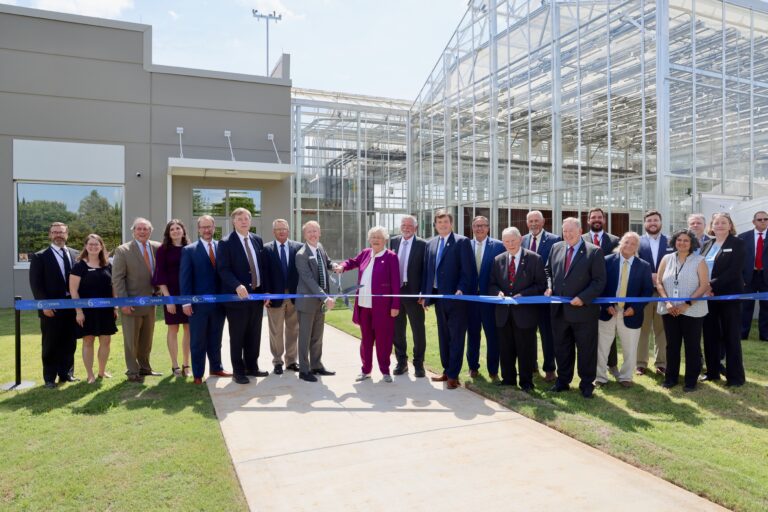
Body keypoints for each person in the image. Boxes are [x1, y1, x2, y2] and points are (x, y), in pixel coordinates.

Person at [545, 217, 606, 398]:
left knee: (586, 349)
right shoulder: (556, 248)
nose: (568, 234)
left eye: (571, 230)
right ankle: (563, 381)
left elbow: (599, 281)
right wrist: (549, 286)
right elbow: (548, 270)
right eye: (565, 231)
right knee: (562, 348)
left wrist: (583, 298)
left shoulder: (594, 252)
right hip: (559, 311)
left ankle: (587, 384)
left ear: (580, 231)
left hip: (583, 311)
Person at [419, 209, 477, 390]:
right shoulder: (431, 244)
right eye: (439, 222)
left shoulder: (462, 242)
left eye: (446, 222)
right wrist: (425, 295)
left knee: (456, 337)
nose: (442, 225)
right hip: (438, 298)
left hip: (457, 299)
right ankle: (446, 370)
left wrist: (461, 288)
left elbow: (468, 270)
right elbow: (428, 272)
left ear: (451, 224)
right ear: (435, 225)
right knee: (443, 336)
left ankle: (453, 375)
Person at [335, 226, 401, 382]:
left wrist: (395, 305)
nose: (376, 240)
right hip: (364, 306)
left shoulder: (391, 257)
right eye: (373, 237)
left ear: (385, 240)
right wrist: (342, 266)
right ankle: (366, 370)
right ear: (369, 239)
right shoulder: (365, 253)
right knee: (366, 340)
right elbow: (352, 262)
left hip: (383, 308)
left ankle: (385, 371)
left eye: (379, 237)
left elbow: (396, 284)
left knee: (383, 340)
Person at [488, 227, 546, 391]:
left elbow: (541, 285)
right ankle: (508, 379)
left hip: (525, 314)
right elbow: (491, 284)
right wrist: (497, 292)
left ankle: (526, 382)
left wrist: (524, 294)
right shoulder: (498, 259)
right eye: (506, 241)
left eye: (513, 240)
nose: (510, 244)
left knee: (525, 349)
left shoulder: (534, 259)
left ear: (520, 239)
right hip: (503, 313)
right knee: (505, 348)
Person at [217, 208, 269, 385]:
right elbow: (223, 269)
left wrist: (265, 292)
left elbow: (262, 268)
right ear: (233, 222)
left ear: (250, 221)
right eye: (240, 219)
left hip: (256, 297)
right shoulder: (225, 243)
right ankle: (238, 371)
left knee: (254, 334)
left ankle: (252, 367)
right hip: (236, 299)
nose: (244, 221)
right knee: (238, 335)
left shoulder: (257, 240)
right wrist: (237, 285)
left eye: (246, 218)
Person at [596, 232, 653, 388]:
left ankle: (626, 376)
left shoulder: (644, 266)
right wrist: (606, 305)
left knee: (630, 347)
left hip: (631, 313)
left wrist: (635, 308)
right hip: (608, 311)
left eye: (633, 244)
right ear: (620, 243)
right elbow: (599, 285)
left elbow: (647, 291)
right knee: (602, 346)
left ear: (637, 248)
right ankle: (600, 377)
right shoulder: (606, 261)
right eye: (626, 242)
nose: (629, 246)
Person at [656, 230, 710, 391]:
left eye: (686, 240)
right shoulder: (666, 259)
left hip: (692, 310)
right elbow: (659, 282)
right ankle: (671, 378)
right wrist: (667, 303)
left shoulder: (699, 260)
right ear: (674, 242)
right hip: (670, 310)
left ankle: (691, 381)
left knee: (692, 346)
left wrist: (687, 304)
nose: (682, 243)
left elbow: (704, 285)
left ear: (692, 243)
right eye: (679, 240)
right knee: (672, 346)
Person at [180, 215, 231, 385]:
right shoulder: (189, 250)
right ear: (198, 229)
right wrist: (186, 302)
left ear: (214, 228)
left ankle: (216, 367)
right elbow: (185, 278)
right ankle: (198, 374)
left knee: (216, 338)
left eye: (209, 227)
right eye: (203, 227)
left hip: (219, 304)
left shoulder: (222, 247)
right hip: (198, 306)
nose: (207, 230)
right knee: (198, 340)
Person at [29, 222, 80, 388]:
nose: (58, 235)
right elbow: (36, 284)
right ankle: (49, 378)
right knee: (50, 342)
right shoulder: (40, 256)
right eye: (55, 232)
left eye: (61, 232)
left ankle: (67, 374)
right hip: (51, 308)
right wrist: (44, 305)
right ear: (50, 235)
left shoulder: (76, 254)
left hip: (72, 307)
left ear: (67, 234)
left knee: (70, 341)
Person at [112, 217, 161, 383]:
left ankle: (145, 368)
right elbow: (117, 278)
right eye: (139, 229)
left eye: (145, 229)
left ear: (150, 231)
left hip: (151, 303)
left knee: (147, 338)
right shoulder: (123, 250)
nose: (142, 232)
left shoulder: (157, 247)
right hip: (131, 304)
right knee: (131, 340)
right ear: (133, 231)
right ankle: (132, 371)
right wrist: (123, 302)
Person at [701, 213, 746, 387]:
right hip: (708, 298)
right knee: (710, 335)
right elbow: (700, 267)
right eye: (716, 223)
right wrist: (704, 288)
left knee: (731, 336)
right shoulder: (707, 244)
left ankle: (735, 377)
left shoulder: (738, 243)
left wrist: (711, 286)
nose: (719, 225)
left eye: (723, 222)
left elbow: (735, 270)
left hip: (729, 296)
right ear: (711, 226)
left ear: (730, 225)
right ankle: (712, 373)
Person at [69, 234, 117, 384]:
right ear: (86, 246)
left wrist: (115, 306)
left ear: (101, 246)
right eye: (90, 244)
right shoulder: (79, 266)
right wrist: (79, 311)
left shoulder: (108, 264)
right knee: (88, 341)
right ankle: (90, 375)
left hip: (106, 311)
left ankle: (102, 372)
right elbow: (73, 290)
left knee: (106, 341)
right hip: (86, 312)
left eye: (96, 244)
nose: (93, 247)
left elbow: (114, 286)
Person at [521, 210, 561, 382]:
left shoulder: (554, 240)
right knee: (528, 333)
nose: (534, 224)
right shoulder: (522, 240)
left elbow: (554, 268)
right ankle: (532, 364)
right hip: (527, 296)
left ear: (543, 222)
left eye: (537, 220)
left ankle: (550, 368)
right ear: (527, 223)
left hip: (545, 295)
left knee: (547, 334)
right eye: (531, 221)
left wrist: (550, 288)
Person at [295, 220, 336, 382]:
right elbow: (309, 280)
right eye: (309, 232)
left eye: (315, 231)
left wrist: (335, 266)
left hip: (320, 303)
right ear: (304, 235)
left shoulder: (320, 248)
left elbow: (327, 262)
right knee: (305, 337)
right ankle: (304, 370)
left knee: (317, 336)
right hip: (307, 303)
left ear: (320, 233)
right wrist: (326, 297)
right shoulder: (301, 255)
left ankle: (316, 365)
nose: (313, 234)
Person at [582, 207, 620, 376]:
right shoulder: (580, 239)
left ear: (604, 220)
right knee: (589, 331)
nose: (596, 220)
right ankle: (593, 365)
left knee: (608, 329)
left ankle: (612, 364)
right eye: (593, 217)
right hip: (585, 292)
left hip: (607, 292)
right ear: (588, 220)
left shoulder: (614, 240)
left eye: (599, 217)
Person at [466, 215, 505, 381]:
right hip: (471, 300)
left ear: (488, 228)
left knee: (493, 336)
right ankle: (473, 367)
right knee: (473, 335)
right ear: (472, 228)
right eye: (476, 226)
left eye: (482, 226)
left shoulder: (498, 246)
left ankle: (493, 370)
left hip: (490, 300)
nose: (479, 229)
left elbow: (502, 272)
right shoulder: (465, 245)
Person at [263, 219, 303, 374]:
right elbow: (264, 272)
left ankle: (291, 361)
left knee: (293, 329)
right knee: (276, 331)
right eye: (278, 229)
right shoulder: (266, 249)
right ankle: (277, 361)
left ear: (288, 230)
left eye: (284, 229)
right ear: (273, 232)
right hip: (274, 296)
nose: (281, 231)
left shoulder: (298, 247)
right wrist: (265, 292)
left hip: (294, 296)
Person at [389, 215, 427, 377]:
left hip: (414, 293)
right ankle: (402, 362)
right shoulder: (393, 242)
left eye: (409, 225)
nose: (406, 227)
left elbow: (427, 271)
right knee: (397, 330)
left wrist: (424, 293)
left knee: (418, 330)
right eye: (403, 225)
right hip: (396, 293)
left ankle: (418, 364)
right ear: (400, 227)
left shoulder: (423, 245)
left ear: (416, 228)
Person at [636, 209, 673, 376]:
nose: (652, 223)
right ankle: (641, 363)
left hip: (664, 292)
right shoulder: (637, 241)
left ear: (660, 222)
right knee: (643, 328)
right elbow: (634, 264)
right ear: (645, 223)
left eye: (655, 220)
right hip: (643, 292)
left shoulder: (671, 242)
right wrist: (647, 275)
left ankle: (661, 363)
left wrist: (660, 277)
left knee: (662, 329)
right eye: (649, 220)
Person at [153, 219, 191, 377]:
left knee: (188, 329)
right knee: (173, 328)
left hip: (188, 294)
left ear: (183, 231)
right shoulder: (163, 250)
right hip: (171, 294)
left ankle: (186, 365)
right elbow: (160, 274)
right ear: (168, 233)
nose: (175, 231)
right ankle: (175, 365)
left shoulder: (190, 248)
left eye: (178, 228)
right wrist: (168, 299)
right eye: (172, 229)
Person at [738, 211, 768, 342]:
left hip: (766, 276)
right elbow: (737, 260)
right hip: (748, 277)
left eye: (765, 219)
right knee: (745, 306)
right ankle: (742, 334)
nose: (763, 221)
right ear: (753, 222)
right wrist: (740, 278)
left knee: (767, 307)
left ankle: (765, 335)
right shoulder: (743, 237)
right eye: (760, 219)